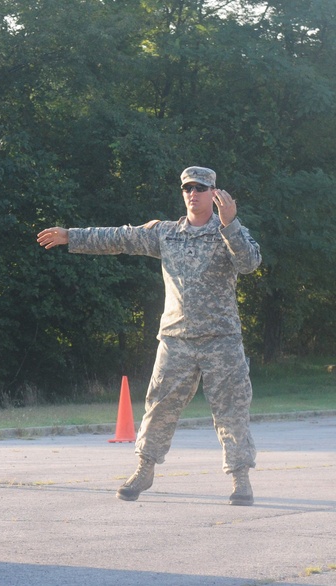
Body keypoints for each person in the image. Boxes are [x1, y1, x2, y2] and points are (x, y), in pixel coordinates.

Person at [36, 166, 261, 505]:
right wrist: (72, 235)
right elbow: (120, 237)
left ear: (214, 192)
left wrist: (231, 224)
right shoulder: (166, 233)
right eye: (188, 188)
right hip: (177, 339)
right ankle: (144, 470)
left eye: (201, 187)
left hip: (221, 340)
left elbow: (249, 263)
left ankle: (240, 480)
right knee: (158, 408)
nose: (193, 193)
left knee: (232, 411)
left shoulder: (229, 232)